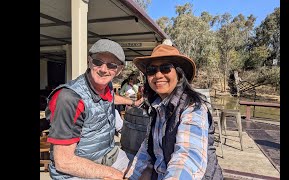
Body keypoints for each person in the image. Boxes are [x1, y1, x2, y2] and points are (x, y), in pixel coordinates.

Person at [45, 39, 143, 179]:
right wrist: (113, 174)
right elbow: (64, 162)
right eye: (98, 62)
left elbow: (111, 97)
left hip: (107, 156)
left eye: (111, 65)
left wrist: (132, 102)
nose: (103, 69)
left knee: (148, 167)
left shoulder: (106, 86)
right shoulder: (69, 99)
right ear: (89, 61)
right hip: (74, 171)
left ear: (119, 70)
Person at [124, 44, 223, 179]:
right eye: (152, 70)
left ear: (179, 74)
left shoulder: (193, 107)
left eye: (165, 68)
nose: (158, 75)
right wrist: (131, 176)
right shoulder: (157, 108)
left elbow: (187, 157)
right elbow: (146, 150)